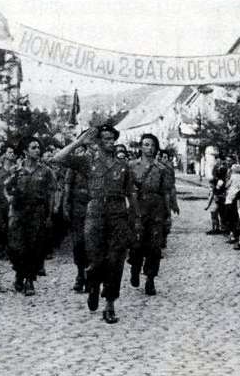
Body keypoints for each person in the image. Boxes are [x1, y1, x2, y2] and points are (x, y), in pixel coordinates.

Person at [52, 123, 140, 324]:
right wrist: (79, 142)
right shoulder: (87, 161)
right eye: (106, 139)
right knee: (95, 259)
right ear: (98, 141)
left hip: (117, 213)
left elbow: (131, 194)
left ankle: (110, 304)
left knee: (115, 260)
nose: (110, 142)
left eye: (112, 139)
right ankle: (93, 284)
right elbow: (57, 158)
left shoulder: (123, 165)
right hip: (95, 212)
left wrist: (136, 219)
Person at [4, 137, 57, 296]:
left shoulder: (46, 171)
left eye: (38, 147)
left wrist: (50, 214)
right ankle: (19, 274)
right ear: (25, 151)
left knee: (34, 247)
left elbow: (52, 193)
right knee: (16, 247)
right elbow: (6, 187)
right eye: (33, 147)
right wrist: (9, 198)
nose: (37, 150)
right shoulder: (16, 170)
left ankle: (29, 280)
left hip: (37, 212)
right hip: (19, 212)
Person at [128, 133, 174, 296]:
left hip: (156, 208)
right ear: (141, 147)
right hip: (137, 207)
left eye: (153, 145)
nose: (150, 148)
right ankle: (135, 267)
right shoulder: (131, 166)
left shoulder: (162, 168)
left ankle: (150, 279)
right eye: (146, 144)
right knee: (136, 244)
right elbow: (127, 189)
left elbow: (166, 192)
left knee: (154, 247)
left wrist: (168, 214)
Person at [62, 143, 91, 293]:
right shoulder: (75, 166)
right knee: (79, 243)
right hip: (78, 207)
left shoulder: (99, 163)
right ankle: (80, 274)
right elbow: (67, 188)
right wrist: (66, 205)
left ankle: (90, 276)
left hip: (94, 207)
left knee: (92, 243)